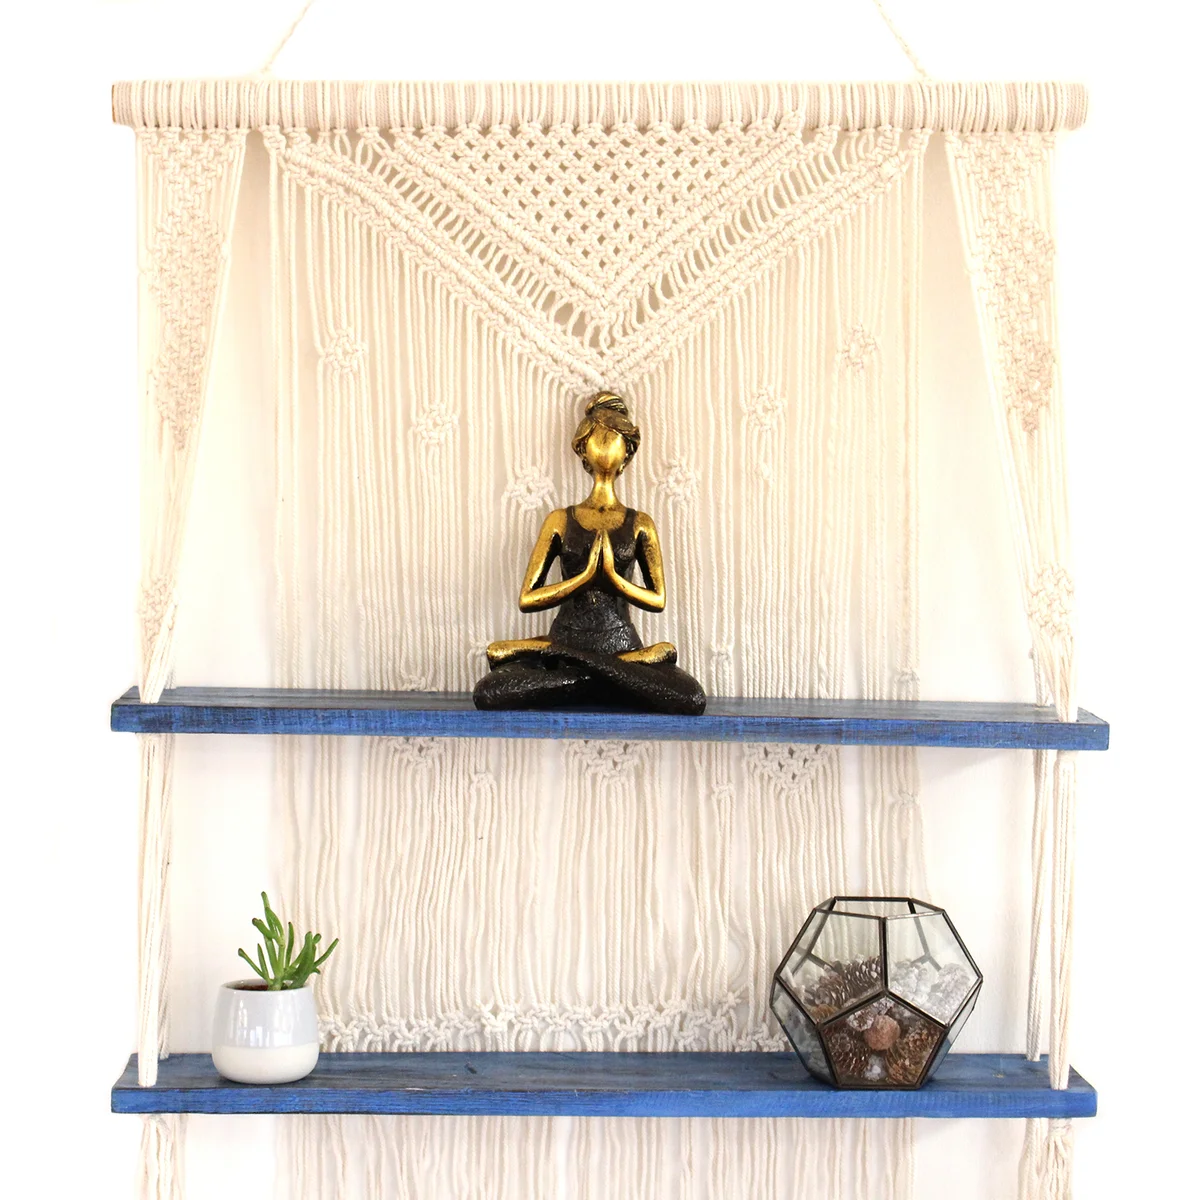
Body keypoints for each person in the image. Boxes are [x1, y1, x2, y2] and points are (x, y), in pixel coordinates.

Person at [474, 392, 706, 714]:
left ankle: (584, 672)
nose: (607, 441)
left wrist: (612, 579)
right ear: (583, 447)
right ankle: (601, 675)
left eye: (616, 436)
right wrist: (583, 579)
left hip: (623, 649)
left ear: (628, 453)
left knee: (690, 695)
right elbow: (528, 598)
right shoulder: (559, 519)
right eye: (600, 434)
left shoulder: (640, 524)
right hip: (567, 645)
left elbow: (658, 599)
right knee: (490, 690)